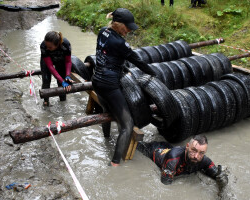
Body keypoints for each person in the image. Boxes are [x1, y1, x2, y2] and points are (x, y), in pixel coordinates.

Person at [91, 8, 155, 167]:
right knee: (127, 124)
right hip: (109, 85)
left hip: (97, 81)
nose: (128, 31)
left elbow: (108, 55)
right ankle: (115, 164)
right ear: (118, 24)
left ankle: (106, 139)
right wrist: (154, 73)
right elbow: (138, 61)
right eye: (126, 27)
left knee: (107, 111)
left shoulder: (103, 31)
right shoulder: (120, 43)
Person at [137, 135, 228, 188]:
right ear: (187, 146)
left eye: (201, 153)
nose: (196, 156)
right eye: (194, 150)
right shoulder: (173, 160)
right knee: (138, 145)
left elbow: (217, 174)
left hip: (168, 147)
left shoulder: (204, 160)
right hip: (154, 150)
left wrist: (223, 179)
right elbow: (165, 185)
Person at [40, 31, 74, 106]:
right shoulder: (43, 46)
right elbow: (50, 66)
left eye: (50, 47)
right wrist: (62, 81)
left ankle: (63, 101)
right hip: (47, 60)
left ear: (57, 44)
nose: (47, 48)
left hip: (60, 59)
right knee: (46, 80)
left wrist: (67, 75)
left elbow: (68, 61)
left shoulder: (65, 44)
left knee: (62, 79)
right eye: (46, 46)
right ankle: (46, 101)